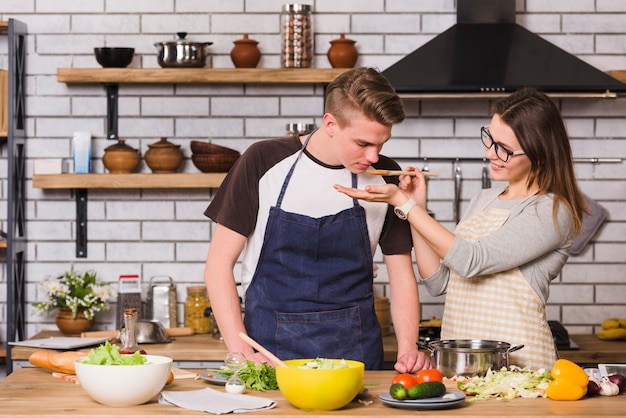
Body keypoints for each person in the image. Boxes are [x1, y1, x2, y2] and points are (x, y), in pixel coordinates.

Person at [335, 87, 587, 371]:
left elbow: (471, 261)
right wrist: (418, 206)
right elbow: (438, 281)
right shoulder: (484, 199)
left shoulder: (552, 211)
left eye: (503, 148)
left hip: (519, 368)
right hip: (461, 364)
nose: (489, 153)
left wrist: (402, 203)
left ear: (540, 153)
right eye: (489, 138)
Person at [203, 67, 431, 372]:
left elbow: (402, 272)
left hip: (357, 356)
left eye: (382, 143)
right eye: (363, 144)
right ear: (330, 123)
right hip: (270, 354)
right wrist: (240, 348)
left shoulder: (386, 179)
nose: (374, 157)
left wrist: (407, 349)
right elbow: (218, 266)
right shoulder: (263, 162)